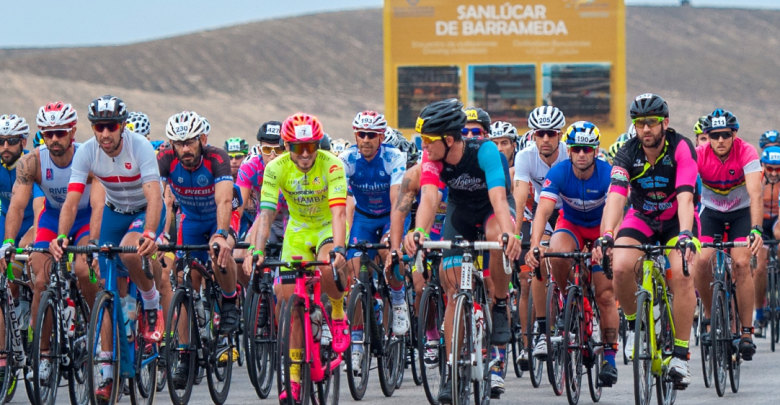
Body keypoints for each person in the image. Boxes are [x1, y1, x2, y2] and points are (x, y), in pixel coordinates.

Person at [403, 99, 522, 403]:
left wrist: (509, 233)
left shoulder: (484, 150)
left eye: (428, 140)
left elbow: (498, 197)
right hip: (460, 213)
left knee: (498, 238)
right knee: (454, 287)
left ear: (449, 139)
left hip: (492, 210)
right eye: (422, 140)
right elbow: (430, 198)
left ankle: (498, 300)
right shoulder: (431, 159)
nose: (424, 146)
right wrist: (417, 231)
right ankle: (452, 369)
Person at [49, 95, 167, 400]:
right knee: (103, 285)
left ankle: (151, 303)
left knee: (131, 250)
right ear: (92, 128)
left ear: (122, 125)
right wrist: (62, 236)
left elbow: (155, 198)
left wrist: (151, 233)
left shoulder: (139, 146)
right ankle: (107, 372)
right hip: (115, 211)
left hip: (144, 210)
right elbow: (72, 202)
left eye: (111, 126)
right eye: (99, 127)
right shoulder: (87, 152)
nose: (105, 133)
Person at [592, 93, 699, 387]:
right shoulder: (627, 152)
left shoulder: (681, 148)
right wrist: (607, 235)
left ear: (665, 122)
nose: (646, 129)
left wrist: (687, 236)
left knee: (681, 273)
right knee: (622, 265)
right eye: (640, 124)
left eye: (651, 122)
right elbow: (616, 196)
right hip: (642, 218)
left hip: (678, 220)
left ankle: (680, 354)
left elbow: (686, 196)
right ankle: (635, 325)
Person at [248, 113, 349, 403]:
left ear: (318, 145)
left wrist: (339, 248)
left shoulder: (332, 164)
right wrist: (256, 250)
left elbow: (339, 212)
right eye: (297, 147)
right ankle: (293, 377)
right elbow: (266, 213)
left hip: (326, 226)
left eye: (310, 147)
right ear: (287, 146)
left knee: (329, 265)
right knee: (287, 300)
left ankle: (338, 311)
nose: (305, 154)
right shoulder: (275, 168)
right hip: (297, 230)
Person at [1, 102, 105, 383]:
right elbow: (16, 207)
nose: (54, 139)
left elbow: (98, 206)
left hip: (83, 218)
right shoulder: (31, 162)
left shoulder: (90, 156)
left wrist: (94, 241)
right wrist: (8, 242)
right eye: (48, 133)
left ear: (72, 131)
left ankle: (99, 335)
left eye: (60, 132)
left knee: (84, 270)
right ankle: (44, 354)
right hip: (51, 218)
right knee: (40, 280)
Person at [524, 121, 619, 386]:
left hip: (602, 228)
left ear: (596, 151)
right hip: (572, 225)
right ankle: (569, 300)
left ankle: (609, 358)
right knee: (555, 252)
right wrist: (534, 245)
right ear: (570, 150)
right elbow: (543, 211)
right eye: (576, 148)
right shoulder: (559, 171)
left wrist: (608, 240)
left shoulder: (607, 172)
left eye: (587, 150)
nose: (581, 154)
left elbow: (617, 210)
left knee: (606, 295)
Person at [157, 111, 241, 386]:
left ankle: (229, 300)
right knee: (183, 281)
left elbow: (224, 202)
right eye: (178, 143)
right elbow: (157, 201)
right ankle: (184, 353)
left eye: (190, 142)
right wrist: (156, 235)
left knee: (220, 254)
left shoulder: (217, 158)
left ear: (202, 139)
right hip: (191, 221)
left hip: (218, 217)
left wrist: (220, 234)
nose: (184, 149)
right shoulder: (165, 159)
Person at [341, 110, 408, 371]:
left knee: (392, 256)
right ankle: (357, 345)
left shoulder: (394, 157)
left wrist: (393, 238)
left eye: (371, 135)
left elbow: (397, 201)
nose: (366, 139)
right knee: (355, 277)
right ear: (355, 135)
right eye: (361, 134)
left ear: (381, 137)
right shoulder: (346, 159)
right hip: (364, 218)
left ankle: (399, 299)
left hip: (390, 215)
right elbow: (340, 200)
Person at [694, 109, 762, 360]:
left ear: (734, 135)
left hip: (741, 213)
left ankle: (746, 332)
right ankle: (710, 319)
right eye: (714, 135)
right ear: (707, 136)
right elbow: (685, 190)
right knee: (701, 261)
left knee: (742, 263)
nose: (720, 140)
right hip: (711, 213)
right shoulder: (699, 154)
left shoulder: (747, 152)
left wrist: (756, 229)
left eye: (725, 135)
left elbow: (755, 194)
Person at [512, 105, 568, 362]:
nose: (545, 139)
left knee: (576, 259)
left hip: (569, 210)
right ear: (533, 135)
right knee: (537, 262)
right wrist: (514, 232)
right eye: (540, 133)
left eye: (551, 133)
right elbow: (521, 192)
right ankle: (543, 328)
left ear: (560, 134)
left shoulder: (570, 154)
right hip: (542, 212)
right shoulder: (525, 156)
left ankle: (580, 306)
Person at [0, 114, 41, 247]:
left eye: (11, 141)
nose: (5, 146)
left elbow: (40, 205)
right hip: (5, 219)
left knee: (32, 257)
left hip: (32, 221)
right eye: (1, 141)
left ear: (23, 142)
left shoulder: (33, 163)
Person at [756, 146, 780, 337]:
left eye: (778, 169)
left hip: (777, 220)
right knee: (759, 267)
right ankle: (759, 312)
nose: (773, 173)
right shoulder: (758, 179)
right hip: (761, 221)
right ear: (763, 166)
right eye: (770, 168)